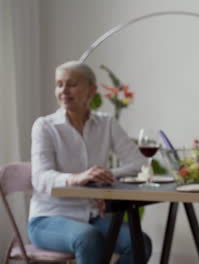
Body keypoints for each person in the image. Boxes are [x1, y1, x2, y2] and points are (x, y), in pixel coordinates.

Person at [28, 61, 152, 264]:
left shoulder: (107, 123)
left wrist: (104, 175)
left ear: (92, 90)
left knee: (139, 242)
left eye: (72, 84)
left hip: (93, 215)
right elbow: (40, 178)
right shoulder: (45, 126)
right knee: (88, 238)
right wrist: (77, 178)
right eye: (59, 84)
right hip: (48, 218)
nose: (64, 91)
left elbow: (139, 163)